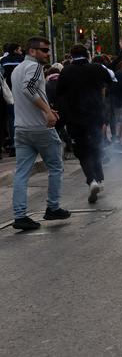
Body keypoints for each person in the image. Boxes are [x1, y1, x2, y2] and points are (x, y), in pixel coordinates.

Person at [10, 37, 70, 230]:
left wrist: (48, 109)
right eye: (44, 50)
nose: (47, 54)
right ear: (32, 51)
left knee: (21, 173)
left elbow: (26, 92)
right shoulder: (34, 67)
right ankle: (53, 207)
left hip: (21, 128)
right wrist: (47, 111)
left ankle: (20, 216)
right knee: (56, 166)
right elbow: (28, 89)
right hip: (40, 128)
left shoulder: (17, 69)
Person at [56, 45, 113, 204]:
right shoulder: (97, 68)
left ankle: (91, 179)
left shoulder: (66, 71)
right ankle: (100, 179)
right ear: (87, 55)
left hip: (75, 118)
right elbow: (109, 83)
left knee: (82, 151)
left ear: (71, 56)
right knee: (96, 147)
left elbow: (59, 94)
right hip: (95, 116)